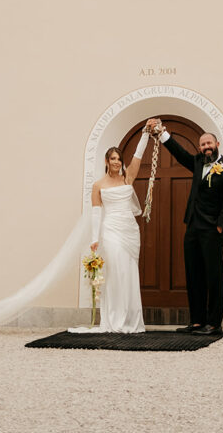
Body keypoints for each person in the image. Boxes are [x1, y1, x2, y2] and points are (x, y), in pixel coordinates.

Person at [145, 118, 223, 334]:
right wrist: (162, 135)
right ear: (199, 148)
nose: (206, 147)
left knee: (213, 275)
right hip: (193, 228)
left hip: (213, 230)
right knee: (193, 273)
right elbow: (180, 154)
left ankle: (214, 323)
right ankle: (197, 321)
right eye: (203, 145)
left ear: (217, 145)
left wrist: (220, 227)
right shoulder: (198, 162)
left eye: (209, 143)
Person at [69, 130, 150, 333]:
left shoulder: (127, 178)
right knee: (115, 271)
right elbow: (96, 213)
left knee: (129, 272)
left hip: (130, 230)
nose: (116, 162)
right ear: (106, 160)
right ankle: (114, 318)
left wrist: (145, 134)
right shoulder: (98, 185)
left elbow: (138, 156)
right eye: (113, 158)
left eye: (119, 159)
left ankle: (130, 319)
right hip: (111, 230)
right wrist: (94, 239)